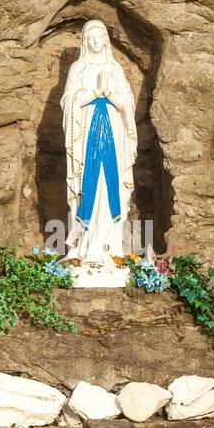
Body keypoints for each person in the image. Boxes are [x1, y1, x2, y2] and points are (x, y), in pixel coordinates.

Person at [61, 19, 137, 266]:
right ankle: (83, 246)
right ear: (85, 42)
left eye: (99, 37)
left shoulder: (116, 70)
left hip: (112, 138)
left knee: (109, 185)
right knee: (88, 185)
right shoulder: (78, 69)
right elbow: (67, 102)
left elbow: (128, 104)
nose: (95, 42)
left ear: (106, 39)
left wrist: (110, 94)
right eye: (90, 38)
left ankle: (110, 245)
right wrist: (95, 93)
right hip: (86, 140)